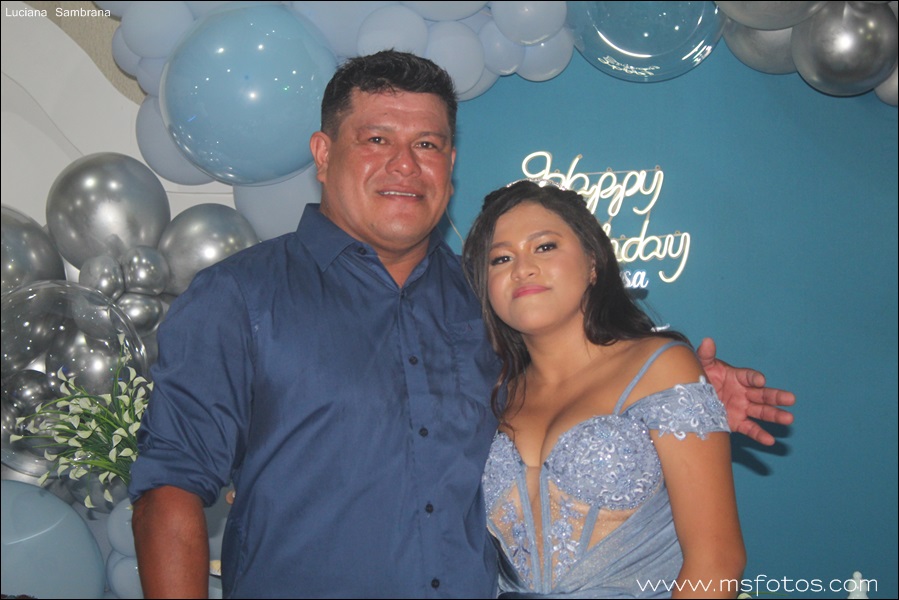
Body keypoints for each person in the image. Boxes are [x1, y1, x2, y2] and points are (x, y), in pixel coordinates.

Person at [129, 51, 792, 599]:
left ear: (449, 163)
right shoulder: (239, 296)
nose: (404, 163)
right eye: (376, 140)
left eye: (427, 143)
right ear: (323, 154)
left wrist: (676, 395)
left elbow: (575, 377)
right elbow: (169, 490)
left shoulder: (488, 302)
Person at [462, 179, 746, 598]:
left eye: (544, 247)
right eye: (501, 258)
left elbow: (716, 560)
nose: (522, 268)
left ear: (593, 262)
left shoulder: (660, 367)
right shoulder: (493, 393)